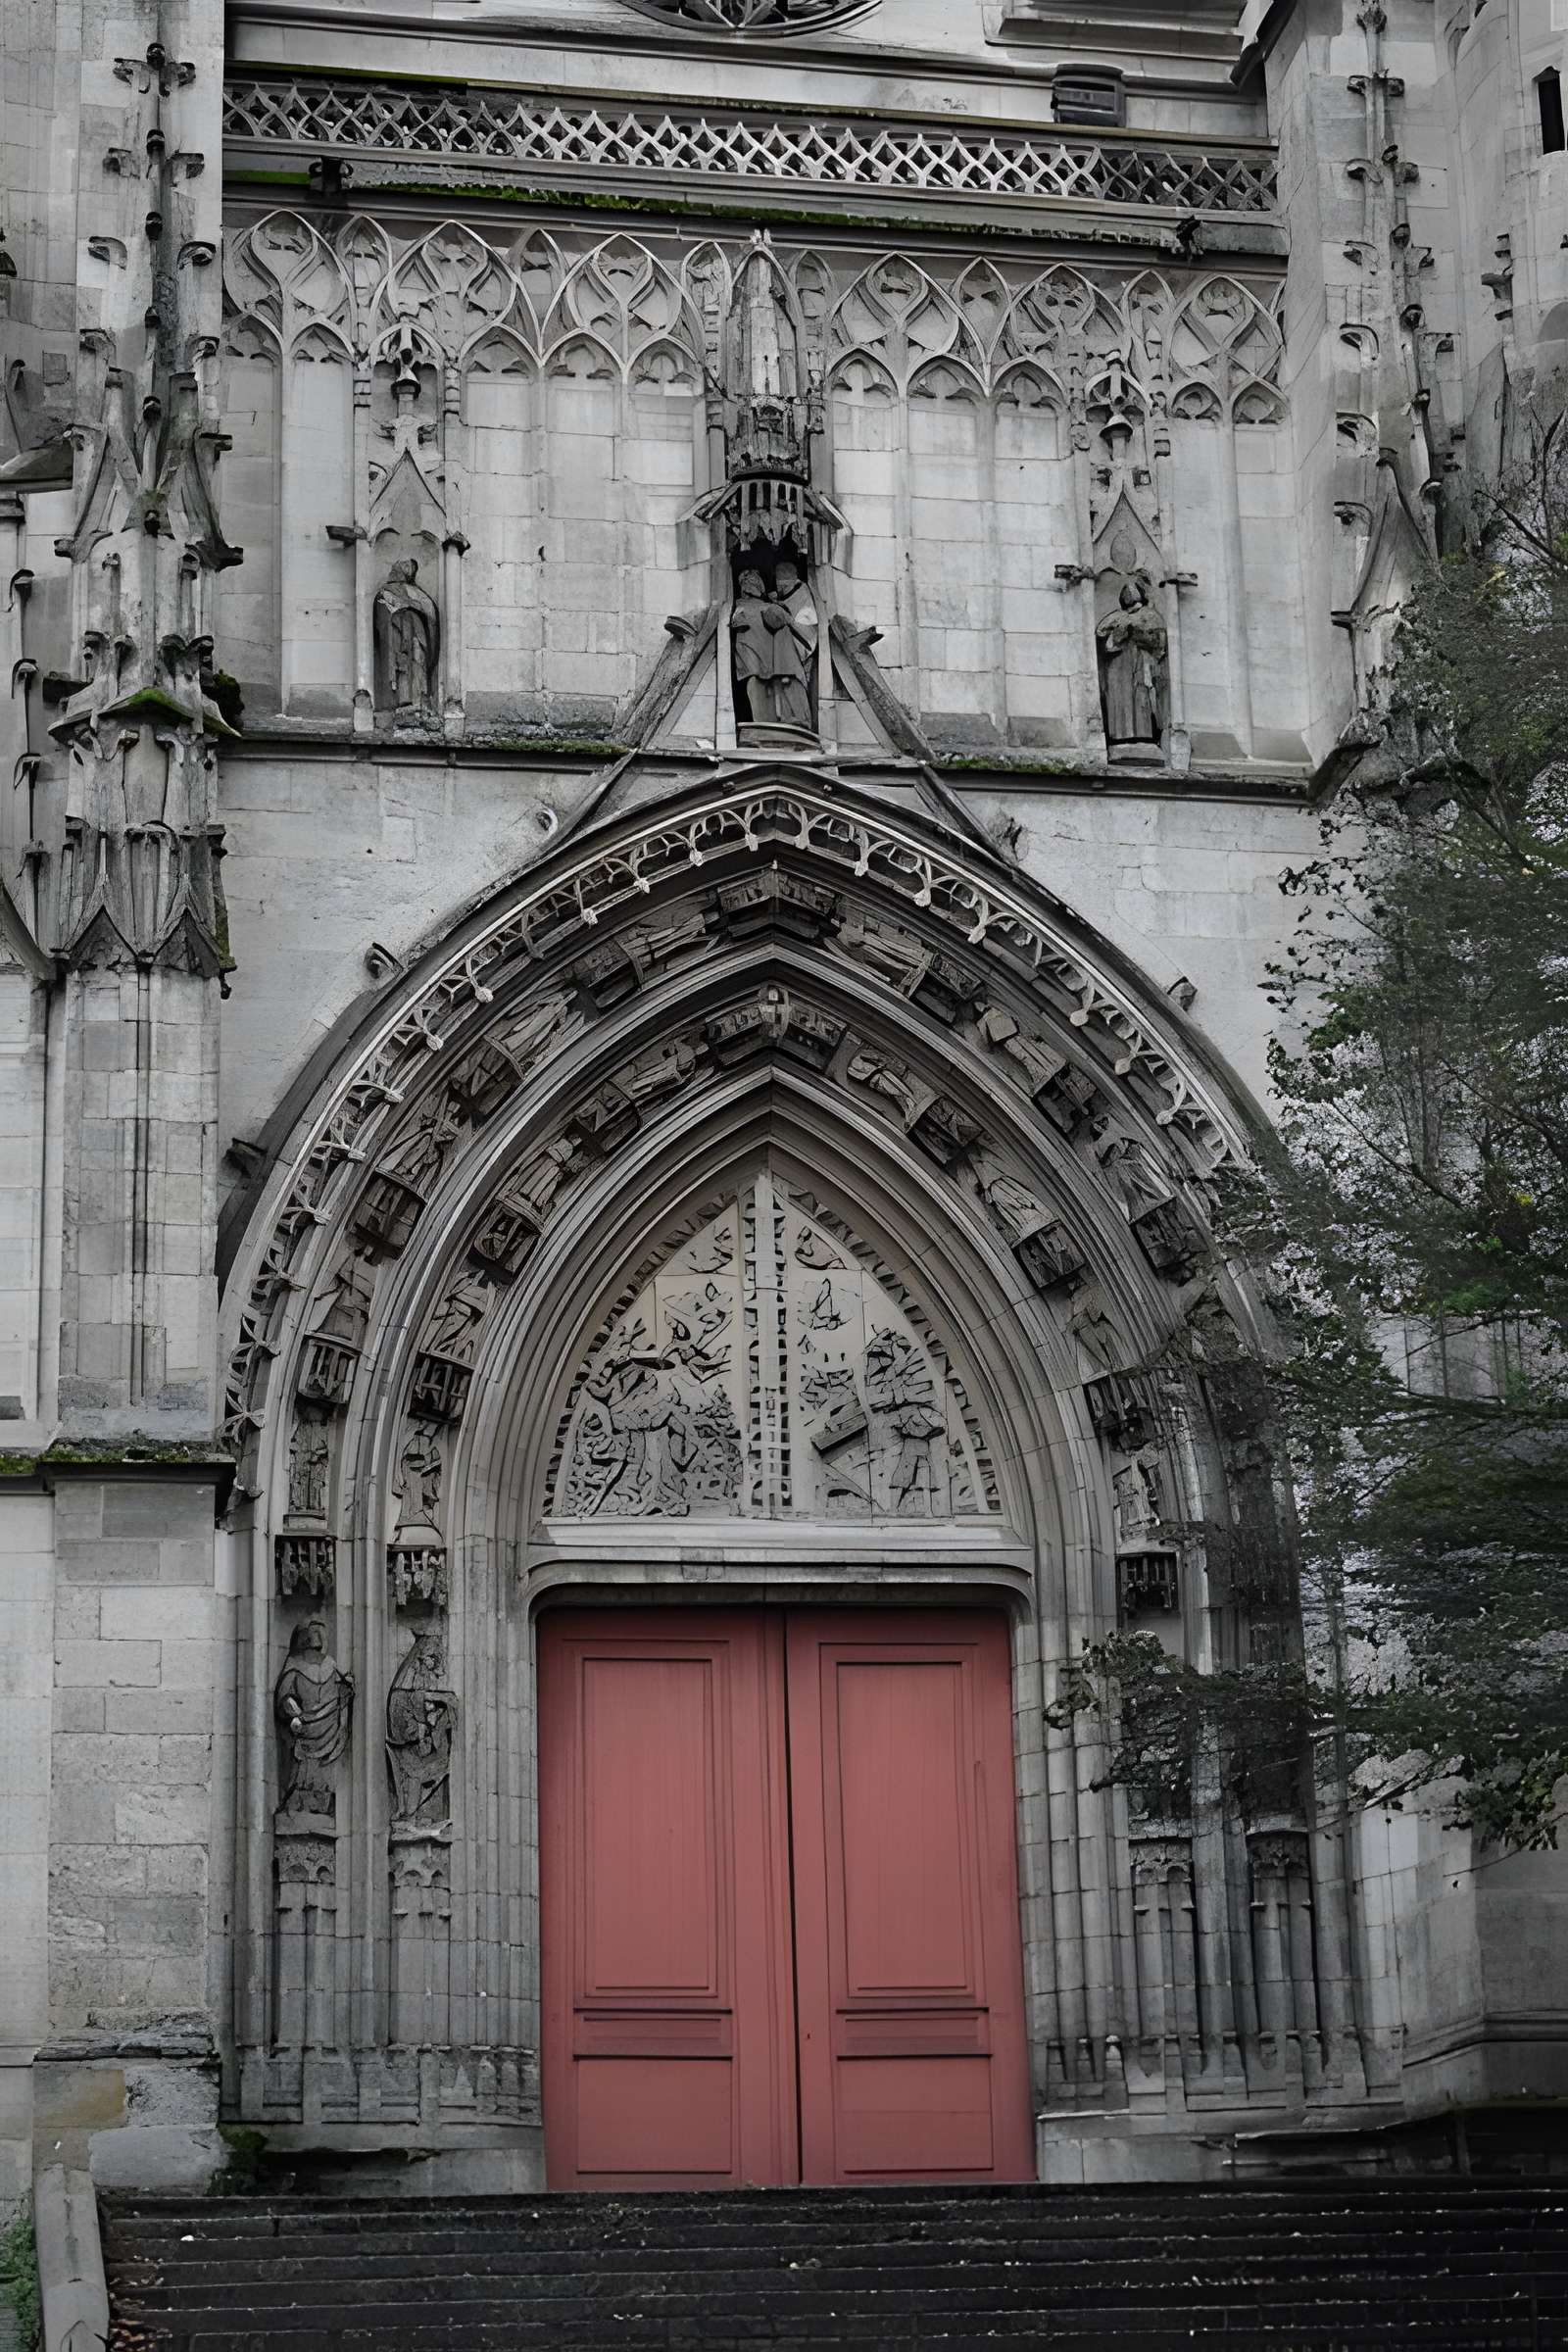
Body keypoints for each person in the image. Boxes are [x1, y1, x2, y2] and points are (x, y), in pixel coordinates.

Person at [274, 1619, 354, 1814]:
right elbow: (286, 1696)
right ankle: (306, 1802)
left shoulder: (328, 1665)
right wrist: (294, 1714)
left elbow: (343, 1689)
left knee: (319, 1771)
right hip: (310, 1728)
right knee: (305, 1770)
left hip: (323, 1726)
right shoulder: (299, 1665)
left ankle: (318, 1802)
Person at [1096, 578, 1167, 748]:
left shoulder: (1150, 616)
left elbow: (1159, 642)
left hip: (1141, 665)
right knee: (1120, 700)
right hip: (1118, 667)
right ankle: (1120, 737)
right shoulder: (1116, 617)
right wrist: (1117, 637)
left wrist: (1137, 633)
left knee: (1141, 698)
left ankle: (1145, 737)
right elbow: (1104, 640)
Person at [373, 557, 440, 714]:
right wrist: (398, 611)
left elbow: (430, 612)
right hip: (397, 635)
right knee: (401, 667)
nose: (408, 569)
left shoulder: (417, 592)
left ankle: (419, 699)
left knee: (418, 662)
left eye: (411, 567)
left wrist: (412, 607)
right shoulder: (386, 591)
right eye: (405, 565)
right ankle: (400, 701)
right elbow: (381, 614)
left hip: (417, 634)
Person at [761, 556, 818, 731]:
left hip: (797, 653)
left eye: (783, 586)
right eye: (779, 586)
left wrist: (787, 618)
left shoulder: (803, 596)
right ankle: (786, 721)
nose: (780, 589)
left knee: (794, 684)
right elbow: (785, 605)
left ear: (792, 582)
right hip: (783, 653)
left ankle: (801, 721)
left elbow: (807, 633)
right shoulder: (788, 592)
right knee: (781, 684)